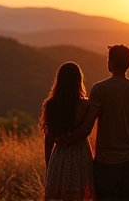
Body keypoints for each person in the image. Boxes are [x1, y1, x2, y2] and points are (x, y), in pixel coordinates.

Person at [65, 44, 129, 201]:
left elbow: (86, 128)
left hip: (105, 163)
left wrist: (67, 139)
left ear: (110, 63)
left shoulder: (100, 89)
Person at [40, 62, 95, 201]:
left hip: (59, 157)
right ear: (78, 80)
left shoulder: (51, 105)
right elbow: (86, 131)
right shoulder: (85, 105)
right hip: (80, 157)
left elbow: (49, 138)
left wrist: (49, 166)